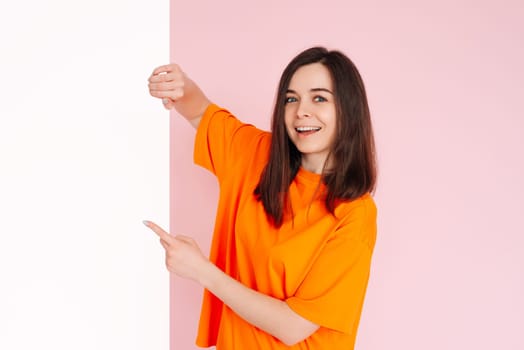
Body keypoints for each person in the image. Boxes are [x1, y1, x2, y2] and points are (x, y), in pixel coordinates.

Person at [144, 46, 377, 350]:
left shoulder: (355, 214)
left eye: (319, 98)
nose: (301, 111)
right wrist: (180, 86)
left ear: (348, 109)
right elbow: (201, 112)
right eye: (291, 99)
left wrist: (202, 270)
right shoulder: (256, 155)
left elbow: (294, 326)